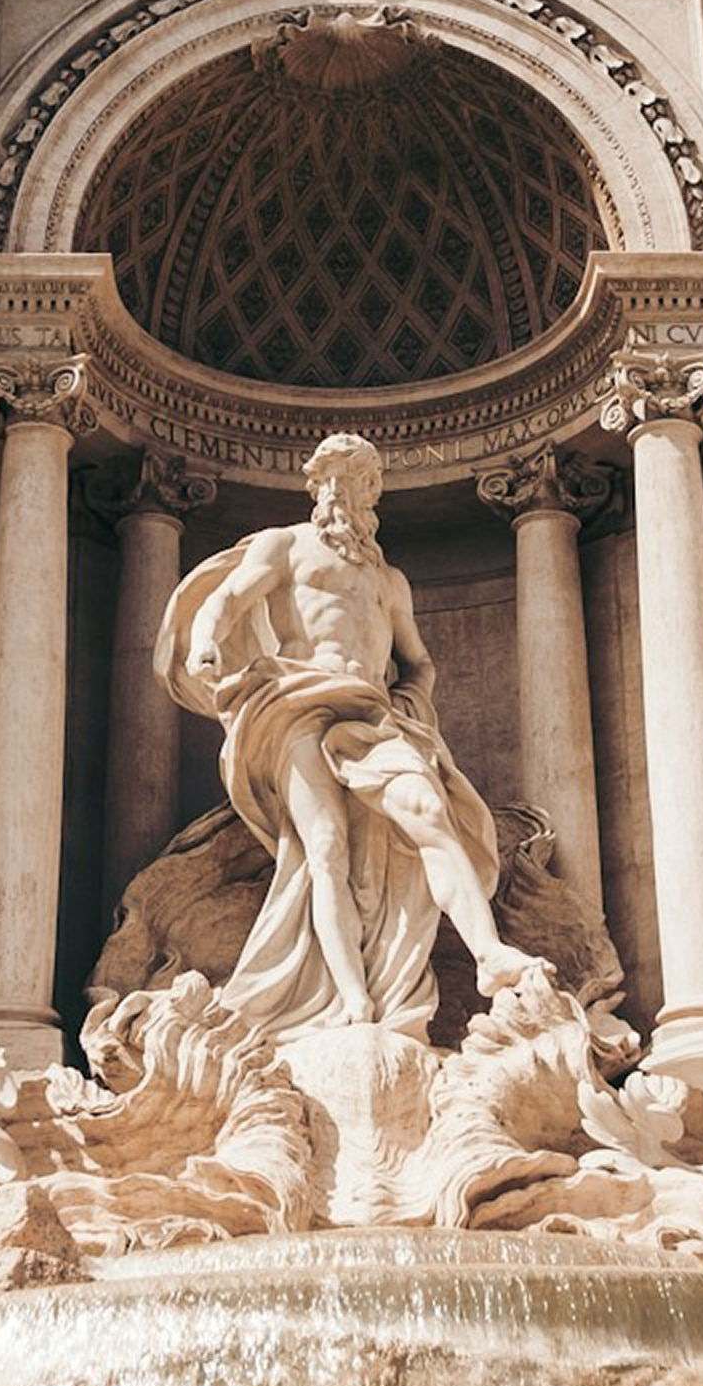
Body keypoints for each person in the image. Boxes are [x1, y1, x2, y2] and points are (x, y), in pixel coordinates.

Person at [158, 432, 542, 1038]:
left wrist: (412, 706)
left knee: (429, 812)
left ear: (371, 492)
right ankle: (352, 1000)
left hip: (372, 714)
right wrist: (206, 639)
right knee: (326, 848)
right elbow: (227, 598)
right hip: (296, 706)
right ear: (315, 487)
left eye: (354, 479)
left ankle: (490, 954)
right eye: (329, 478)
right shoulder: (284, 547)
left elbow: (419, 662)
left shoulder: (389, 581)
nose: (339, 490)